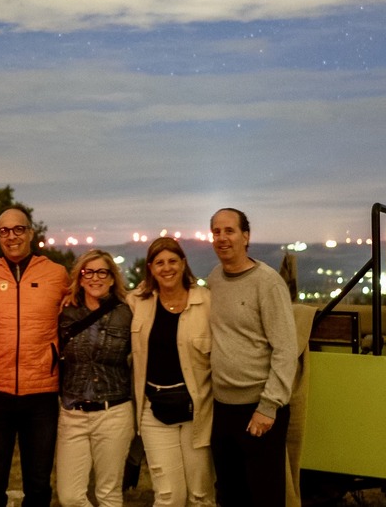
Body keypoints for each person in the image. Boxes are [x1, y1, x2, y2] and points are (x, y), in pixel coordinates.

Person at [0, 206, 68, 507]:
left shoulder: (56, 274)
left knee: (38, 483)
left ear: (30, 232)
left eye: (18, 229)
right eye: (4, 231)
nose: (11, 236)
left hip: (41, 394)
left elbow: (87, 299)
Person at [207, 208, 299, 506]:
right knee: (230, 494)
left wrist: (268, 406)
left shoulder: (267, 282)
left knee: (264, 496)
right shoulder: (214, 280)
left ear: (246, 236)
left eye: (229, 230)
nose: (222, 238)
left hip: (258, 409)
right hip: (222, 408)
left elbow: (285, 349)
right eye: (216, 231)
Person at [127, 237, 215, 507]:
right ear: (151, 268)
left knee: (200, 496)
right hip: (153, 411)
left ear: (183, 263)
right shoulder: (137, 303)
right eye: (159, 263)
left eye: (173, 261)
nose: (167, 268)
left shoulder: (207, 303)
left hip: (197, 411)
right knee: (168, 496)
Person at [56, 249, 135, 507]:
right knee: (69, 496)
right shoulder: (65, 312)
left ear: (112, 278)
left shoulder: (127, 313)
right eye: (87, 272)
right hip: (73, 413)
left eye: (102, 272)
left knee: (108, 494)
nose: (94, 278)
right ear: (79, 278)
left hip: (113, 412)